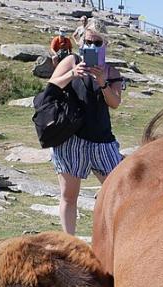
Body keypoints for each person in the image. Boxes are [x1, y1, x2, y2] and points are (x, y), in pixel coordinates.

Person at [47, 24, 125, 235]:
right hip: (71, 138)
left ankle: (112, 238)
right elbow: (51, 86)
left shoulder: (112, 72)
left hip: (102, 141)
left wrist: (102, 82)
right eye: (88, 42)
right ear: (81, 42)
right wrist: (73, 74)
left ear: (105, 44)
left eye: (97, 43)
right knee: (69, 196)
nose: (92, 46)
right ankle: (69, 242)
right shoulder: (71, 61)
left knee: (119, 191)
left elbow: (115, 103)